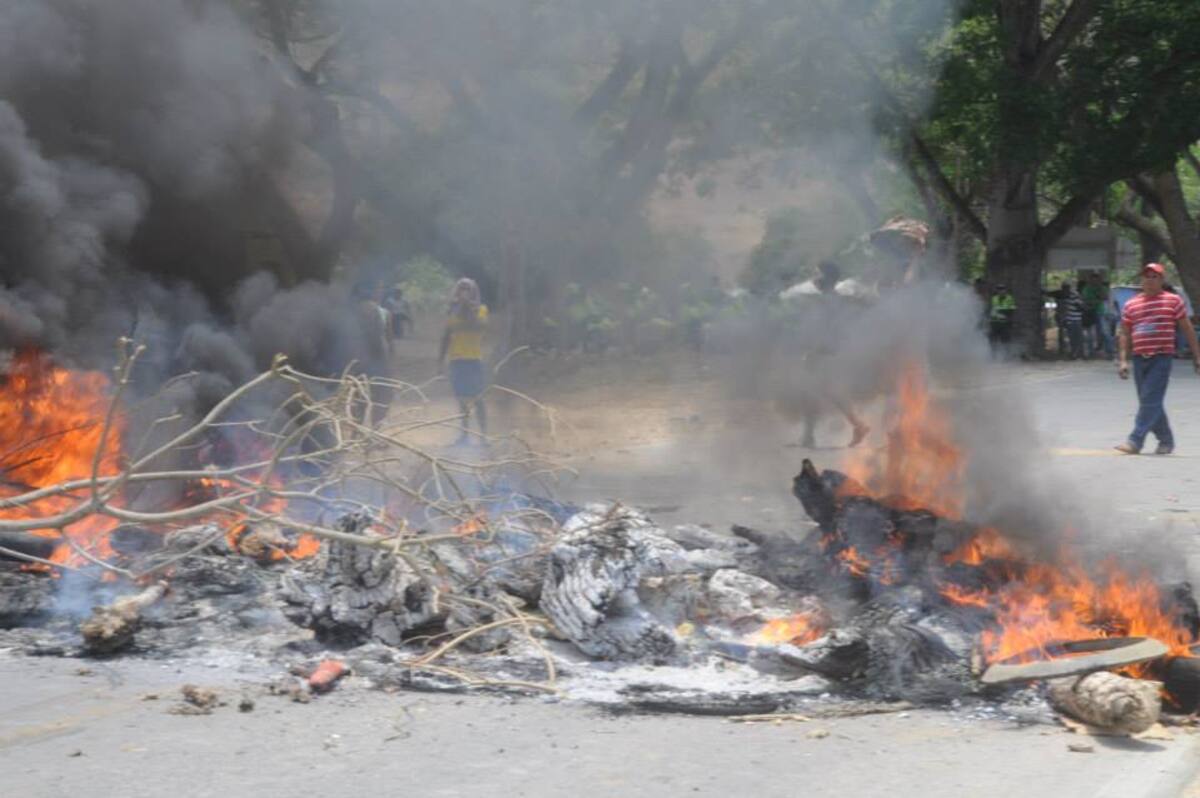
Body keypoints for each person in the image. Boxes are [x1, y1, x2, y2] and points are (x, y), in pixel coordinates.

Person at [1114, 263, 1200, 455]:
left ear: (1162, 280)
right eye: (1147, 276)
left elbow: (1187, 328)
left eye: (1155, 277)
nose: (1150, 280)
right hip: (1139, 358)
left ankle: (1135, 441)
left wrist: (1197, 356)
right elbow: (1125, 334)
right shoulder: (1131, 304)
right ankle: (1166, 440)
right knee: (1149, 401)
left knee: (1150, 400)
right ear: (1141, 280)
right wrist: (1123, 360)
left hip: (1161, 357)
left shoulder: (1173, 301)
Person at [797, 260, 870, 448]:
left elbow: (831, 330)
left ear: (827, 277)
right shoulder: (829, 299)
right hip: (821, 351)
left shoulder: (832, 300)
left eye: (818, 274)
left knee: (822, 391)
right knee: (813, 392)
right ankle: (808, 436)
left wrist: (814, 351)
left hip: (825, 353)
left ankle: (858, 425)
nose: (814, 278)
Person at [439, 277, 489, 444]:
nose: (464, 292)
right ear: (457, 292)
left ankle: (483, 435)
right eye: (461, 289)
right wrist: (440, 361)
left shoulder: (481, 310)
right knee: (461, 399)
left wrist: (466, 305)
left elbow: (477, 326)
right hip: (457, 360)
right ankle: (464, 435)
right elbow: (446, 337)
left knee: (478, 398)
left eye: (468, 289)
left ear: (474, 292)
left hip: (474, 360)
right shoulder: (451, 312)